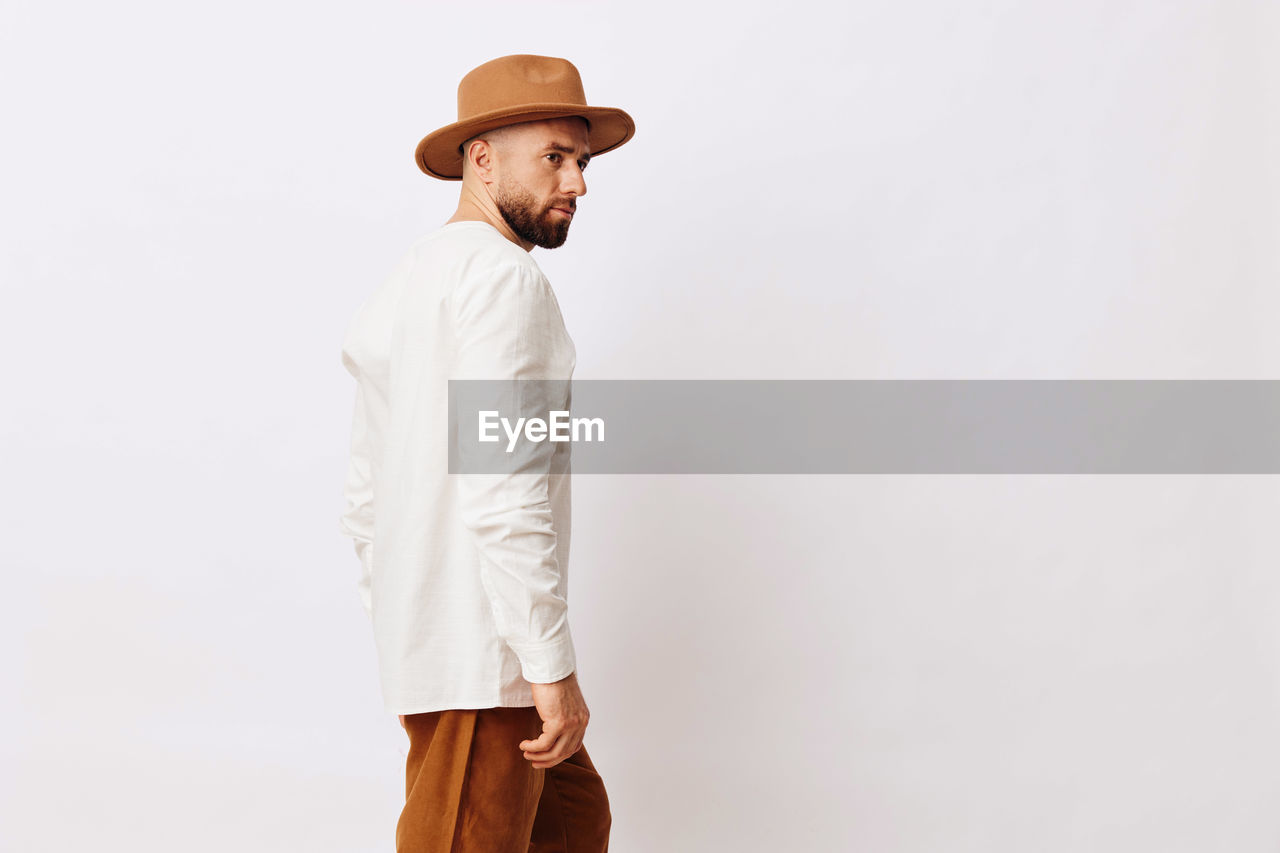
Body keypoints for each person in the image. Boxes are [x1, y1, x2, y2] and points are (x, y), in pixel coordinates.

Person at [338, 54, 634, 852]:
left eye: (582, 160)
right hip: (486, 654)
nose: (577, 183)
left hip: (453, 645)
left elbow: (365, 496)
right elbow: (505, 485)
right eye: (554, 158)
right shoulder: (504, 279)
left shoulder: (408, 283)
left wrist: (411, 622)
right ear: (481, 158)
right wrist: (549, 666)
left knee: (575, 821)